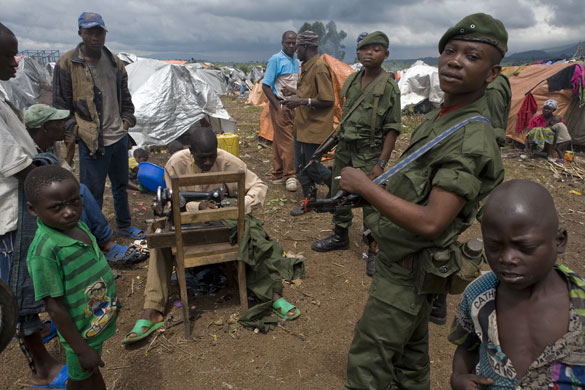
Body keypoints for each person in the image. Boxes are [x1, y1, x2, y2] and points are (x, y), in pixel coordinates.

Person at [341, 13, 507, 389]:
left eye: (472, 56)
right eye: (450, 51)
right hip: (406, 265)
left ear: (492, 73)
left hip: (408, 270)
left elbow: (433, 221)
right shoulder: (443, 117)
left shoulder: (469, 137)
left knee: (368, 363)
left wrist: (367, 187)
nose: (455, 61)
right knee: (411, 361)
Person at [123, 127, 301, 344]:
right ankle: (152, 309)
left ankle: (272, 296)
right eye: (202, 158)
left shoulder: (228, 161)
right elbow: (174, 201)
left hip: (221, 223)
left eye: (211, 157)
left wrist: (239, 206)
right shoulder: (176, 164)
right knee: (160, 242)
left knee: (249, 239)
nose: (207, 163)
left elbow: (259, 186)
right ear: (191, 151)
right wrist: (198, 206)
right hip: (187, 226)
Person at [449, 179, 585, 389]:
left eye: (525, 247)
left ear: (560, 241)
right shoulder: (477, 295)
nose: (508, 258)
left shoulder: (580, 306)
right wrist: (458, 376)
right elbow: (468, 346)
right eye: (494, 246)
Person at [0, 23, 68, 388]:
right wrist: (53, 180)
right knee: (21, 287)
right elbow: (19, 166)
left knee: (26, 283)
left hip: (18, 204)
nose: (15, 62)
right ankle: (40, 364)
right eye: (8, 55)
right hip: (10, 214)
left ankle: (35, 340)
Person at [310, 31, 401, 278]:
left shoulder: (389, 87)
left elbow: (392, 129)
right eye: (364, 49)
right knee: (339, 195)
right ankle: (340, 236)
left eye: (376, 49)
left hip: (369, 154)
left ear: (386, 54)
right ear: (357, 53)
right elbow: (345, 119)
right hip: (345, 151)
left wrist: (381, 162)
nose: (369, 53)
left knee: (372, 202)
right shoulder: (351, 81)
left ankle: (374, 247)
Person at [24, 165, 118, 390]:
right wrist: (81, 349)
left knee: (91, 372)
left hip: (94, 323)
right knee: (80, 380)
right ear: (33, 209)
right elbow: (54, 307)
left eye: (75, 201)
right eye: (56, 207)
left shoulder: (78, 227)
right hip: (80, 336)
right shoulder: (45, 252)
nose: (69, 211)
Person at [52, 12, 144, 239]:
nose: (95, 37)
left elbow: (125, 98)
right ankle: (94, 235)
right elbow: (61, 106)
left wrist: (127, 120)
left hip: (118, 137)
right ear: (80, 33)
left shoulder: (115, 63)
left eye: (99, 32)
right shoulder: (67, 64)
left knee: (121, 186)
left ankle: (124, 225)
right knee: (91, 192)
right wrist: (76, 131)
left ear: (105, 34)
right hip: (91, 140)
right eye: (90, 32)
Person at [24, 103, 148, 265]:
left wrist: (69, 153)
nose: (64, 125)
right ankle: (101, 246)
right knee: (79, 193)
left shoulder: (51, 146)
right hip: (39, 203)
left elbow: (61, 179)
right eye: (59, 122)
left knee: (79, 192)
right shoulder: (29, 150)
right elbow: (53, 185)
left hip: (51, 197)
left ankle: (104, 243)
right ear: (46, 128)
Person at [283, 31, 334, 208]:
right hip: (301, 126)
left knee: (312, 166)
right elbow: (309, 93)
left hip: (314, 128)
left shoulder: (319, 67)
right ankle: (309, 200)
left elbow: (328, 99)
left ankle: (336, 186)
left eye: (298, 48)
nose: (296, 51)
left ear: (305, 47)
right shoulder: (307, 66)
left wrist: (301, 100)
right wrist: (294, 94)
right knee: (299, 168)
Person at [262, 31, 299, 192]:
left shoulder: (296, 61)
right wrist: (278, 106)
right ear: (282, 43)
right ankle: (290, 175)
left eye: (293, 43)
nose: (291, 46)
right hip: (281, 105)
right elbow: (266, 85)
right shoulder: (276, 59)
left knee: (280, 139)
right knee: (288, 140)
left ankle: (277, 173)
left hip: (293, 105)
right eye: (288, 43)